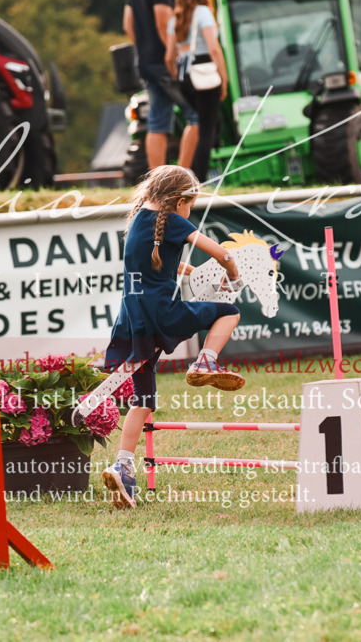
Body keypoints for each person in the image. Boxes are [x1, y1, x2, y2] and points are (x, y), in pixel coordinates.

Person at [101, 165, 245, 509]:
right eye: (190, 205)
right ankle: (206, 361)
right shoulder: (175, 222)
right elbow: (224, 254)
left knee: (144, 400)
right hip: (161, 315)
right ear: (179, 200)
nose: (190, 211)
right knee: (230, 312)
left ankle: (122, 467)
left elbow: (153, 263)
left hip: (132, 322)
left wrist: (191, 270)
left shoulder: (137, 219)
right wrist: (235, 279)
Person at [125, 0, 199, 171]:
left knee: (157, 122)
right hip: (164, 62)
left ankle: (157, 179)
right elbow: (163, 22)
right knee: (197, 115)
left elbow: (127, 23)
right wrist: (173, 56)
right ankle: (183, 178)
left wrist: (145, 46)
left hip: (146, 61)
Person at [166, 0, 228, 182]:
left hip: (185, 76)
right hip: (204, 73)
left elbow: (169, 57)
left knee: (202, 123)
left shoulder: (176, 17)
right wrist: (223, 76)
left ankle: (188, 173)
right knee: (206, 130)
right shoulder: (202, 12)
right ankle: (198, 180)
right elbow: (214, 48)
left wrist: (179, 76)